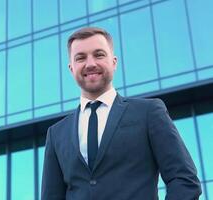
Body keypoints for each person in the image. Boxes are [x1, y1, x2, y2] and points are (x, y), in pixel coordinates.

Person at [41, 27, 201, 200]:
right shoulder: (56, 133)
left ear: (114, 62)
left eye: (99, 54)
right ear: (71, 68)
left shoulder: (149, 112)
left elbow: (184, 180)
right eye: (81, 58)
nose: (90, 63)